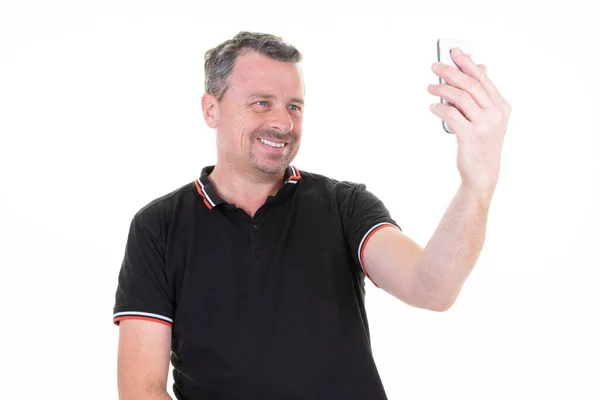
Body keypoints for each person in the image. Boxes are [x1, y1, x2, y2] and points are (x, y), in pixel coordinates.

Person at [113, 31, 511, 400]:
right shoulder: (158, 227)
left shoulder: (344, 205)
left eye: (294, 106)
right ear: (211, 110)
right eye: (261, 103)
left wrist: (477, 184)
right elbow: (141, 390)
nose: (283, 122)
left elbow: (432, 287)